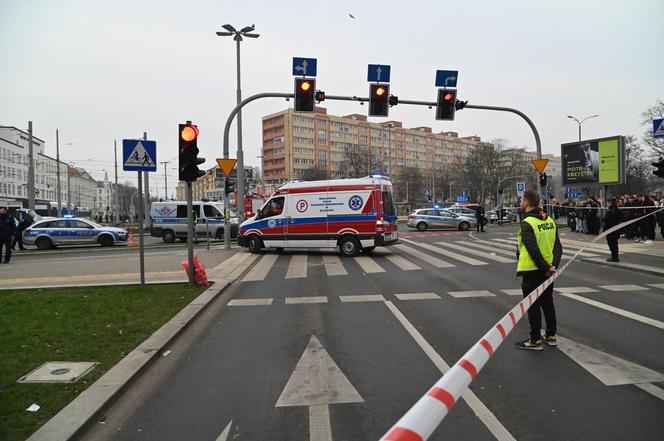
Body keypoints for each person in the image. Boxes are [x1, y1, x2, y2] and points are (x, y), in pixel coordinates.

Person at [515, 190, 563, 351]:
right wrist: (553, 266)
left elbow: (532, 249)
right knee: (548, 302)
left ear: (527, 202)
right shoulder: (549, 220)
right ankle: (550, 335)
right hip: (548, 270)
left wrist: (545, 267)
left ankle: (535, 339)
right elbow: (557, 246)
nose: (520, 202)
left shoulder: (528, 222)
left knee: (533, 305)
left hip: (532, 270)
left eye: (521, 200)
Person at [603, 197, 623, 262]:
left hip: (612, 230)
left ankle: (615, 257)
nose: (608, 204)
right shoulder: (612, 210)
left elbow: (611, 220)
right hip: (611, 230)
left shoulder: (614, 210)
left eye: (609, 202)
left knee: (613, 244)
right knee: (612, 243)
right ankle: (614, 256)